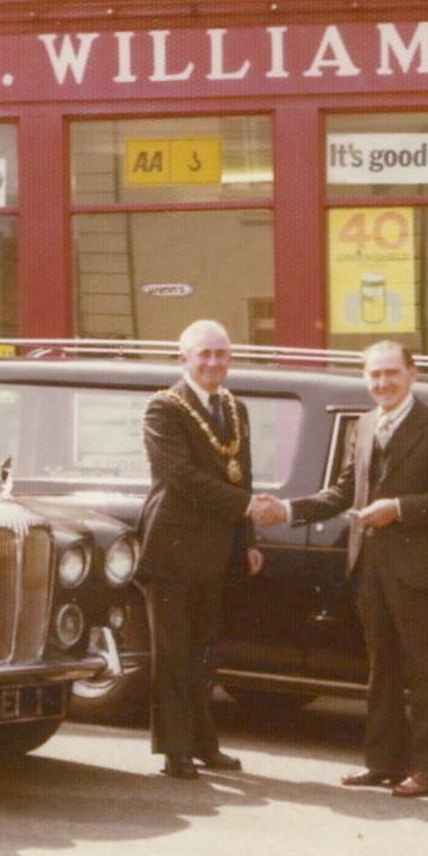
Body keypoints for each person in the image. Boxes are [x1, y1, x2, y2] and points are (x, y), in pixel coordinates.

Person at [255, 341, 428, 798]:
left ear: (412, 374)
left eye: (391, 373)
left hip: (417, 570)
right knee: (381, 667)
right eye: (373, 375)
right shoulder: (366, 423)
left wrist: (398, 508)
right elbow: (342, 492)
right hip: (370, 566)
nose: (382, 383)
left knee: (423, 668)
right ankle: (383, 764)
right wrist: (288, 510)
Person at [138, 319, 271, 779]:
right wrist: (247, 506)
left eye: (221, 354)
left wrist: (247, 537)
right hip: (172, 545)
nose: (214, 363)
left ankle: (203, 744)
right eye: (204, 355)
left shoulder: (235, 407)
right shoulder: (164, 408)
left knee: (204, 651)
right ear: (184, 359)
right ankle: (175, 750)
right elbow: (180, 478)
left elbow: (241, 474)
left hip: (215, 546)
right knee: (173, 653)